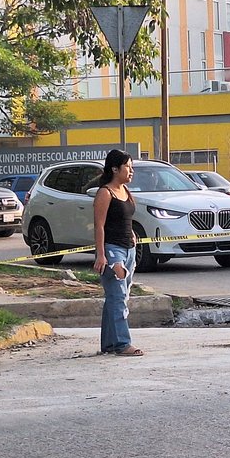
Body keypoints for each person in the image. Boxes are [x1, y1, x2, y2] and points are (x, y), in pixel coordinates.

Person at [93, 149, 143, 356]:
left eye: (132, 167)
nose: (131, 171)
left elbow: (126, 218)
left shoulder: (125, 190)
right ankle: (123, 344)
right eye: (127, 167)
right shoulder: (105, 193)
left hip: (129, 249)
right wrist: (101, 254)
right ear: (114, 169)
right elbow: (99, 225)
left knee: (117, 297)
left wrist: (132, 234)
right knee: (118, 297)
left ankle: (109, 344)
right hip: (113, 251)